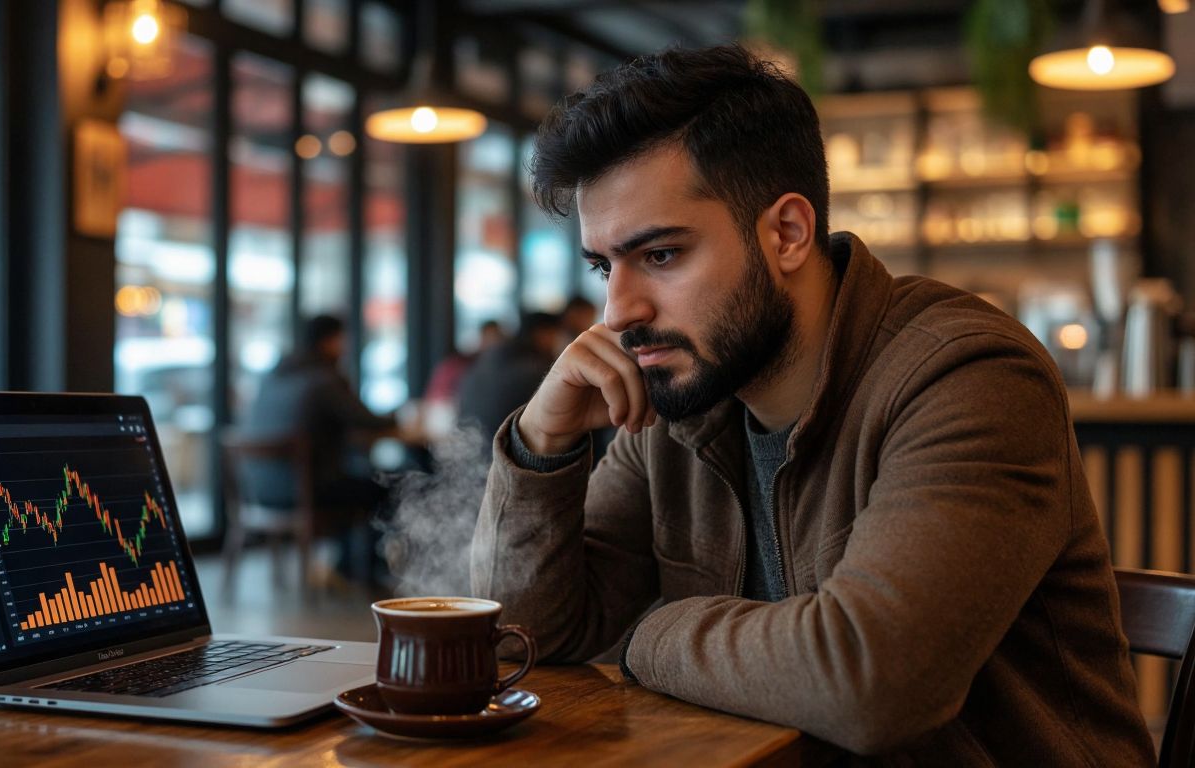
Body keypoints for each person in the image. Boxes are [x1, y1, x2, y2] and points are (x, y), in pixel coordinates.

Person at [469, 45, 1151, 763]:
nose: (618, 310)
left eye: (661, 255)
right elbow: (525, 637)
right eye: (605, 266)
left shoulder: (969, 375)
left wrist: (652, 632)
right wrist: (542, 443)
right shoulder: (681, 402)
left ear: (787, 233)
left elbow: (872, 683)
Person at [243, 314, 397, 584]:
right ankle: (360, 570)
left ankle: (344, 565)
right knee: (388, 484)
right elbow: (364, 419)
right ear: (331, 341)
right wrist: (400, 416)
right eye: (342, 340)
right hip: (304, 492)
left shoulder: (273, 375)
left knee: (355, 478)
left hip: (261, 492)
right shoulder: (324, 379)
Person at [457, 312, 562, 453]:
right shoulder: (539, 369)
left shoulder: (492, 356)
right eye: (556, 336)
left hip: (465, 453)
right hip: (501, 457)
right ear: (543, 334)